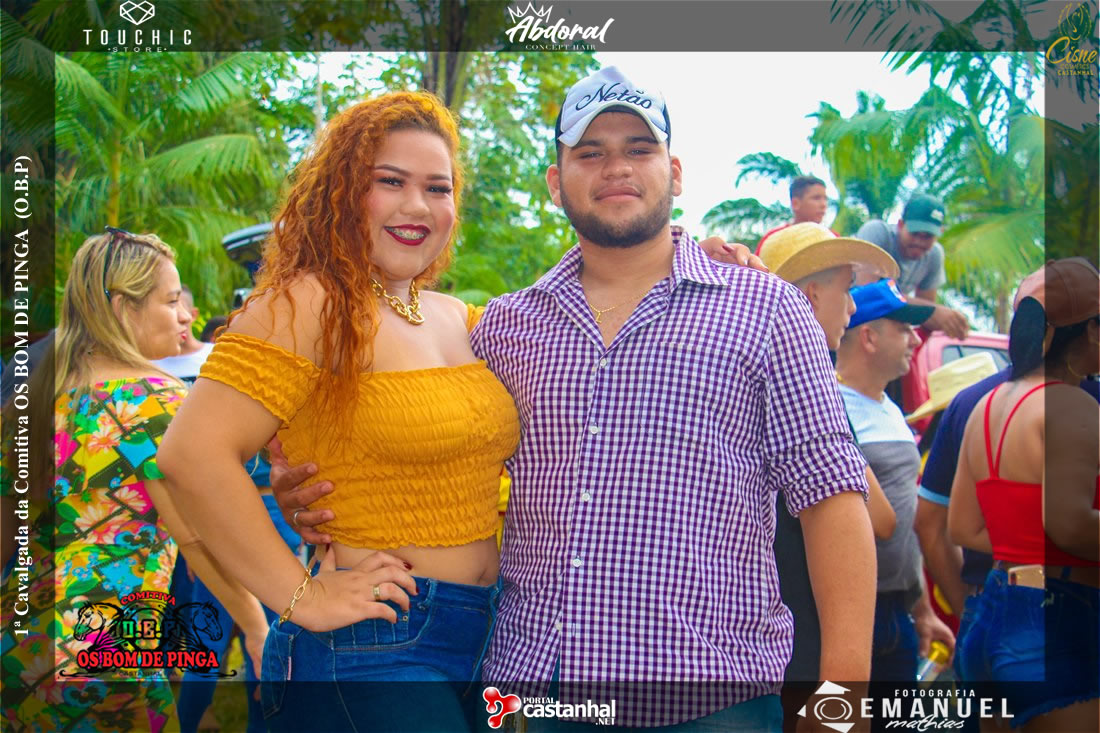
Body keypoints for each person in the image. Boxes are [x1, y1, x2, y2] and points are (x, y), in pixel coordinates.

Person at [288, 66, 877, 730]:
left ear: (674, 172)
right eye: (590, 152)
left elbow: (832, 495)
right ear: (555, 181)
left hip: (709, 696)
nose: (616, 167)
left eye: (638, 149)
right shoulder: (504, 327)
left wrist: (843, 699)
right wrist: (314, 483)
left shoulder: (765, 310)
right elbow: (433, 441)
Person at [158, 91, 520, 733]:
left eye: (437, 188)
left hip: (492, 633)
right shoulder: (308, 303)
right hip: (373, 645)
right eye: (391, 182)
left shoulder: (460, 317)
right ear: (343, 191)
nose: (418, 205)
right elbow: (191, 456)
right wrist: (303, 596)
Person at [0, 229, 267, 733]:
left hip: (20, 647)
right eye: (171, 301)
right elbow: (196, 537)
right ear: (124, 308)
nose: (186, 316)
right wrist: (255, 626)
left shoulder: (34, 399)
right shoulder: (155, 400)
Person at [758, 222, 899, 729]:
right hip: (804, 647)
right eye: (847, 289)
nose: (853, 307)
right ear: (813, 296)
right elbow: (880, 519)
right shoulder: (814, 398)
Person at [948, 257, 1099, 731]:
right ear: (1090, 331)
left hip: (992, 613)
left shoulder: (987, 404)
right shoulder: (1071, 404)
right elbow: (1070, 525)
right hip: (1060, 620)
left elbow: (962, 527)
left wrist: (1026, 546)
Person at [833, 279, 955, 690]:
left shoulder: (892, 412)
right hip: (846, 617)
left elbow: (905, 522)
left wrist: (923, 612)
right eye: (903, 329)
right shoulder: (829, 407)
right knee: (838, 718)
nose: (916, 340)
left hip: (897, 614)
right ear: (869, 337)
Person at [855, 193, 969, 340]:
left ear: (939, 233)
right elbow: (867, 295)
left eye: (928, 236)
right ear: (901, 225)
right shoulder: (878, 233)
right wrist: (931, 311)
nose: (919, 241)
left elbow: (926, 320)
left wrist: (944, 319)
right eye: (915, 233)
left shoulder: (934, 255)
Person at [152, 284, 214, 386]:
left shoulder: (216, 355)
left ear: (193, 314)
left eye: (179, 308)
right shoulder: (150, 363)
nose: (179, 317)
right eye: (170, 307)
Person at [755, 175, 832, 254]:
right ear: (795, 203)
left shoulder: (832, 238)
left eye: (825, 199)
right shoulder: (772, 241)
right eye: (816, 198)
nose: (824, 204)